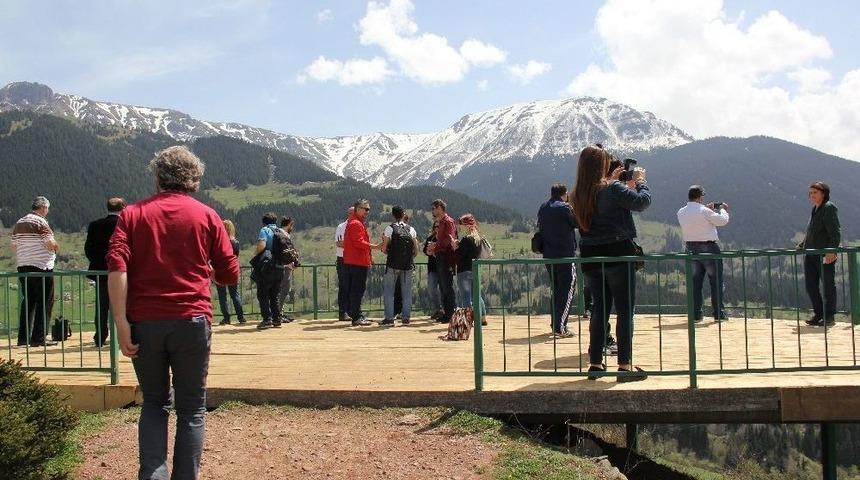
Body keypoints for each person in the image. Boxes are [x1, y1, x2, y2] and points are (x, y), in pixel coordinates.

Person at [107, 145, 239, 480]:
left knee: (153, 402)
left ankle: (153, 475)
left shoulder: (131, 214)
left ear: (158, 175)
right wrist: (211, 273)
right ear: (194, 177)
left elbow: (117, 267)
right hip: (192, 320)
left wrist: (121, 322)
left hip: (144, 322)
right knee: (192, 407)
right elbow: (230, 273)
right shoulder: (207, 216)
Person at [572, 145, 651, 382]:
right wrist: (640, 181)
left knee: (599, 310)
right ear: (602, 166)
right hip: (618, 253)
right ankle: (625, 366)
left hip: (591, 257)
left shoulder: (577, 194)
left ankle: (595, 363)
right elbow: (642, 202)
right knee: (625, 311)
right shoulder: (613, 189)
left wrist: (613, 182)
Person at [11, 196, 59, 347]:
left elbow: (13, 246)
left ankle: (23, 338)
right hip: (41, 266)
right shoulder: (41, 222)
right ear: (43, 208)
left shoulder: (19, 222)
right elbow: (50, 243)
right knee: (45, 301)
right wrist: (56, 247)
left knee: (29, 301)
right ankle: (39, 338)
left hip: (23, 265)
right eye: (47, 209)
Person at [677, 185, 730, 322]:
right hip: (708, 248)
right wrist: (722, 209)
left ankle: (696, 314)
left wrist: (707, 210)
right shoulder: (704, 211)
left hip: (690, 248)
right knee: (716, 282)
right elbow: (722, 221)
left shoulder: (681, 212)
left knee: (695, 283)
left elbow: (696, 221)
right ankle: (719, 313)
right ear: (700, 197)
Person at [85, 197, 127, 346]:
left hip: (101, 272)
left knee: (101, 305)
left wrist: (98, 263)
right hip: (122, 271)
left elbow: (88, 249)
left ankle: (100, 337)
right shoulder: (124, 224)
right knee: (123, 304)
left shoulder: (95, 225)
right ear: (123, 208)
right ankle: (123, 337)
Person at [536, 184, 577, 338]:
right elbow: (577, 223)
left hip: (549, 255)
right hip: (565, 255)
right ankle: (560, 327)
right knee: (567, 290)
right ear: (565, 194)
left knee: (557, 289)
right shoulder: (565, 208)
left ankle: (556, 323)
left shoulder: (543, 207)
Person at [801, 181, 841, 327]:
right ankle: (819, 313)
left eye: (815, 192)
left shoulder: (829, 208)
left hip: (824, 254)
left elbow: (835, 232)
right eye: (810, 193)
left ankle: (829, 315)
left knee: (828, 285)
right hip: (811, 253)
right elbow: (812, 230)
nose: (812, 195)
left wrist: (831, 250)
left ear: (823, 193)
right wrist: (802, 245)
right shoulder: (815, 209)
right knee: (810, 285)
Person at [343, 199, 380, 326]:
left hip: (357, 261)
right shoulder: (356, 223)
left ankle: (357, 315)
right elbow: (358, 242)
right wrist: (375, 246)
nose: (367, 211)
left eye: (368, 209)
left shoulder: (355, 222)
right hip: (357, 262)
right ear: (358, 208)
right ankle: (356, 317)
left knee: (357, 289)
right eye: (365, 209)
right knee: (357, 290)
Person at [380, 206, 419, 326]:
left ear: (393, 215)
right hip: (407, 265)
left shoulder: (389, 229)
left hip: (392, 265)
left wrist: (388, 252)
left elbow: (384, 248)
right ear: (403, 215)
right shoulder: (411, 229)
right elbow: (416, 250)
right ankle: (406, 318)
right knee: (406, 292)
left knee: (389, 292)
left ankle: (389, 319)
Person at [254, 212, 285, 330]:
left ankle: (267, 319)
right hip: (280, 266)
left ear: (264, 222)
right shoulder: (280, 231)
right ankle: (277, 319)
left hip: (267, 267)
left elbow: (262, 246)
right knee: (274, 294)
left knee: (263, 294)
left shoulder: (264, 230)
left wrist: (256, 255)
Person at [454, 214, 487, 319]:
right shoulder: (478, 239)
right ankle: (482, 317)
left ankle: (468, 319)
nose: (459, 227)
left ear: (466, 225)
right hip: (474, 270)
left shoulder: (466, 239)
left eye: (461, 225)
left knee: (466, 297)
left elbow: (459, 255)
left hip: (464, 270)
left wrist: (455, 247)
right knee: (477, 295)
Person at [430, 199, 458, 323]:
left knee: (447, 286)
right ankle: (447, 313)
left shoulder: (448, 222)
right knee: (443, 286)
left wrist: (435, 246)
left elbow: (448, 240)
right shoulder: (441, 222)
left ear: (440, 208)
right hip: (440, 256)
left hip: (446, 256)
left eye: (434, 208)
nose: (433, 211)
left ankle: (451, 314)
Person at [215, 219, 245, 326]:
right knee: (235, 294)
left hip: (220, 270)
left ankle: (226, 318)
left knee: (222, 296)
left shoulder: (220, 241)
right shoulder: (235, 242)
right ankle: (241, 317)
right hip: (232, 270)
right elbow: (236, 257)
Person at [277, 216, 298, 323]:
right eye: (292, 225)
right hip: (284, 268)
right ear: (289, 224)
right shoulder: (283, 236)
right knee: (283, 291)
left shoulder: (280, 235)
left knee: (282, 291)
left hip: (283, 267)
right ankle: (278, 314)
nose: (292, 227)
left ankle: (279, 313)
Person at [335, 207, 354, 321]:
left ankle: (352, 311)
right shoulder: (341, 227)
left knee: (353, 287)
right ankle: (343, 312)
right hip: (343, 259)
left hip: (353, 260)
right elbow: (339, 243)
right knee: (344, 286)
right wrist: (355, 246)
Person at [423, 221, 443, 320]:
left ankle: (445, 309)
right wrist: (429, 252)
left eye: (438, 226)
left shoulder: (444, 238)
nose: (437, 228)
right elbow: (425, 251)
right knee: (432, 289)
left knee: (445, 290)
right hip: (433, 268)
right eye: (435, 226)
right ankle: (437, 309)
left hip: (443, 268)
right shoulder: (430, 239)